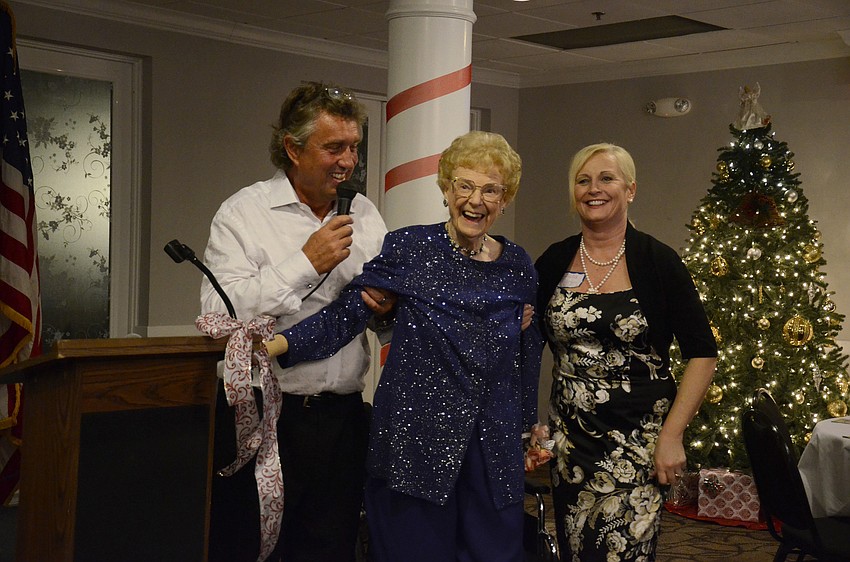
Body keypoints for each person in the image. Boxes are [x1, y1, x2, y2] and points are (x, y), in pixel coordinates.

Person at [261, 130, 545, 561]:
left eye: (491, 190)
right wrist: (276, 344)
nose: (476, 200)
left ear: (505, 200)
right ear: (446, 189)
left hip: (491, 448)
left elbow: (526, 348)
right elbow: (349, 312)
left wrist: (528, 427)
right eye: (464, 185)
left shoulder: (518, 264)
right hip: (415, 443)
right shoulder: (412, 247)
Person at [200, 81, 393, 562]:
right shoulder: (244, 213)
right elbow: (219, 315)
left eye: (353, 147)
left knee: (330, 550)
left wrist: (390, 312)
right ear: (293, 147)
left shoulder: (365, 215)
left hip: (343, 421)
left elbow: (383, 325)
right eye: (334, 148)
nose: (348, 161)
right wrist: (305, 262)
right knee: (250, 547)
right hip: (266, 417)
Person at [534, 143, 718, 562]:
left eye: (606, 178)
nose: (593, 189)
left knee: (624, 551)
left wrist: (672, 435)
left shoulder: (658, 261)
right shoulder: (554, 260)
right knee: (576, 548)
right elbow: (527, 342)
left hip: (639, 443)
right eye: (583, 180)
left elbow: (703, 352)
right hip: (571, 442)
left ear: (630, 190)